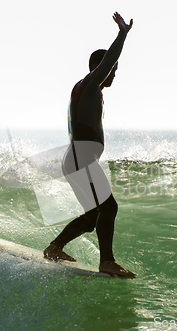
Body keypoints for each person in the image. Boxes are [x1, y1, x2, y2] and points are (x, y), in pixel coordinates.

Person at [43, 12, 135, 278]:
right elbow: (107, 62)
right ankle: (107, 261)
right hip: (81, 157)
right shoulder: (91, 84)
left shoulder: (86, 90)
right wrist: (122, 34)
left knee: (94, 215)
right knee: (109, 207)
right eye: (112, 70)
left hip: (75, 157)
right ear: (100, 69)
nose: (114, 75)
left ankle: (54, 248)